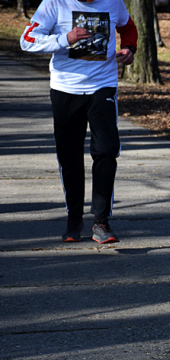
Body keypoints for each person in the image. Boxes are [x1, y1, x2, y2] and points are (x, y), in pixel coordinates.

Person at [20, 0, 138, 244]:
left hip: (102, 85)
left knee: (106, 150)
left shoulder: (113, 2)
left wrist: (129, 48)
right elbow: (27, 41)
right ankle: (74, 218)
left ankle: (101, 221)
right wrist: (66, 39)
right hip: (65, 87)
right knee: (69, 156)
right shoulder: (54, 3)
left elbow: (128, 28)